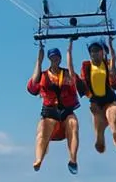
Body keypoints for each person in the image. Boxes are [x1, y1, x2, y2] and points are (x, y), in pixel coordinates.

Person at [28, 40, 81, 174]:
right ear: (49, 59)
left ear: (60, 59)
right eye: (52, 58)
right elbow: (33, 84)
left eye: (57, 57)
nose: (55, 60)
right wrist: (39, 60)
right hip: (50, 111)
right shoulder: (43, 75)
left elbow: (72, 70)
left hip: (66, 110)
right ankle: (38, 159)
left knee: (73, 125)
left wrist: (69, 47)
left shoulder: (67, 74)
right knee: (42, 130)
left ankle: (73, 159)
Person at [79, 38, 116, 154]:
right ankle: (100, 139)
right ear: (90, 54)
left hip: (109, 98)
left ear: (102, 52)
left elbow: (114, 57)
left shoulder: (107, 64)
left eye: (97, 50)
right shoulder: (86, 66)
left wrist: (110, 44)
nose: (95, 53)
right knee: (98, 124)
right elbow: (82, 80)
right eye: (92, 51)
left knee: (112, 118)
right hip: (96, 101)